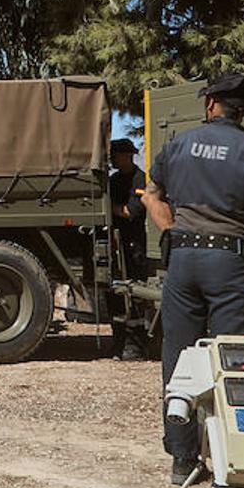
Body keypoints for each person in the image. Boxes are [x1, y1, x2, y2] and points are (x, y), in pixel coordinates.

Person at [141, 72, 244, 484]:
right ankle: (235, 463)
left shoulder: (178, 145)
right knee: (236, 363)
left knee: (180, 359)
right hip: (231, 264)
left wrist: (171, 231)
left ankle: (183, 458)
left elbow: (152, 195)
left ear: (210, 105)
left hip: (183, 263)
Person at [107, 138, 148, 361]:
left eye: (116, 154)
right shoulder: (114, 180)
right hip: (118, 244)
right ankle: (118, 343)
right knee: (116, 296)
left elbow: (130, 212)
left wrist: (107, 207)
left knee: (135, 296)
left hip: (133, 246)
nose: (113, 159)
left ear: (127, 155)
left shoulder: (139, 179)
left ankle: (136, 346)